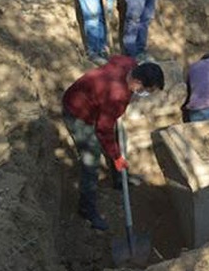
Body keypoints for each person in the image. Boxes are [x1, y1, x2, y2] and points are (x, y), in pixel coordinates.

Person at [62, 56, 164, 230]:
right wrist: (116, 157)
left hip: (91, 99)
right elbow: (103, 130)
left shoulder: (129, 64)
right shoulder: (116, 96)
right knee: (91, 159)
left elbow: (115, 58)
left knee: (115, 140)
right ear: (137, 82)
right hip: (77, 112)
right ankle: (87, 209)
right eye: (147, 90)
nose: (146, 94)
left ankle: (118, 180)